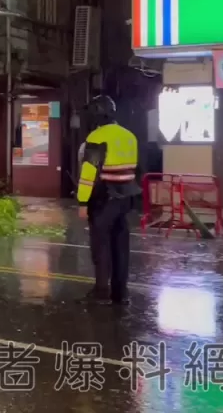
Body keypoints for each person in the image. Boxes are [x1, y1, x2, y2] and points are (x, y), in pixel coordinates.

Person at [76, 95, 140, 306]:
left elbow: (88, 173)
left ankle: (101, 291)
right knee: (121, 246)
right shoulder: (129, 135)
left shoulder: (97, 137)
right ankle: (120, 293)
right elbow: (137, 168)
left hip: (104, 199)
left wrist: (82, 202)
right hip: (127, 199)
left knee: (101, 246)